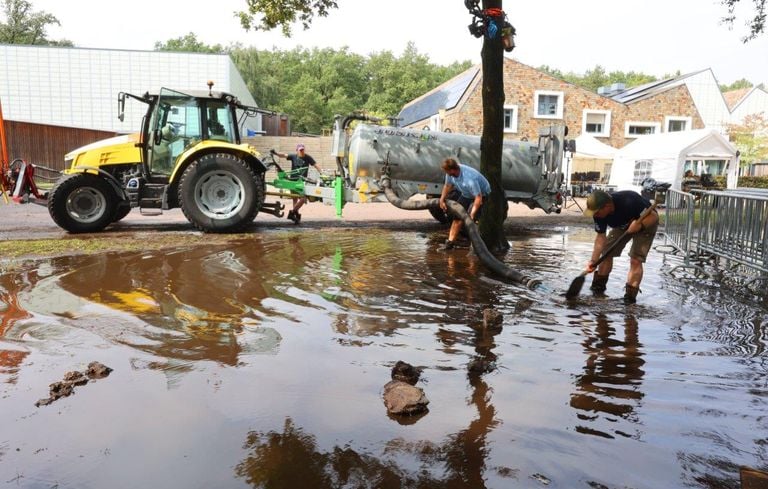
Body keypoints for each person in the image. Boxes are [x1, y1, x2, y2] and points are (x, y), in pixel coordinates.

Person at [583, 189, 658, 304]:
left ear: (607, 206)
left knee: (635, 260)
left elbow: (653, 217)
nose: (595, 215)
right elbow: (600, 238)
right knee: (606, 252)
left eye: (597, 212)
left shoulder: (629, 200)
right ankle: (598, 290)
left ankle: (629, 299)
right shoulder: (598, 214)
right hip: (623, 225)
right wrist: (593, 261)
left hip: (645, 222)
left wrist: (640, 226)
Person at [438, 158, 491, 250]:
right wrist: (442, 199)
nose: (446, 174)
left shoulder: (470, 178)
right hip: (466, 194)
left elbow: (478, 197)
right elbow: (448, 186)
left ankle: (476, 247)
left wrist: (472, 213)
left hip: (482, 195)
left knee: (472, 220)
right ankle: (450, 244)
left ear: (453, 170)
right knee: (457, 217)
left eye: (447, 172)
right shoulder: (450, 174)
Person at [270, 144, 319, 224]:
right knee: (295, 199)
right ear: (297, 151)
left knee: (303, 199)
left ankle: (292, 212)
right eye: (300, 150)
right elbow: (283, 155)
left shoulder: (308, 157)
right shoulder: (293, 156)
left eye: (303, 150)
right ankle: (295, 214)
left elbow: (315, 165)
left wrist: (321, 172)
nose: (302, 151)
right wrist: (275, 153)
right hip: (292, 181)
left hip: (301, 182)